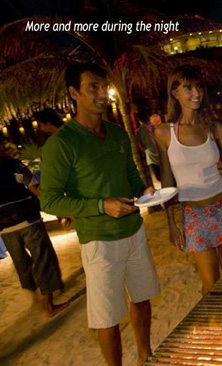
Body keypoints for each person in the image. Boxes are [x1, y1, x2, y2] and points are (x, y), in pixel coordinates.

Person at [39, 62, 160, 366]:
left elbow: (131, 176)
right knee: (108, 317)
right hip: (99, 241)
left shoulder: (118, 134)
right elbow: (49, 200)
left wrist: (145, 191)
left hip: (134, 231)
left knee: (142, 296)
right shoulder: (62, 143)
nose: (102, 93)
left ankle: (144, 353)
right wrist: (100, 205)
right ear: (73, 92)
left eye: (103, 86)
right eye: (92, 86)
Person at [155, 65, 222, 296]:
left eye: (198, 87)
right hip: (194, 214)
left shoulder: (215, 126)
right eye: (188, 88)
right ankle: (215, 323)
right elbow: (167, 183)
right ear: (174, 93)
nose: (196, 93)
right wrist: (171, 223)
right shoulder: (164, 133)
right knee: (210, 284)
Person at [0, 142, 68, 317]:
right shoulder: (15, 166)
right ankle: (49, 305)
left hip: (5, 227)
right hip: (28, 219)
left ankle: (34, 296)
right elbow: (35, 189)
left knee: (21, 263)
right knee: (43, 258)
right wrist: (56, 210)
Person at [136, 112, 162, 182]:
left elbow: (141, 145)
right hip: (160, 150)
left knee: (158, 175)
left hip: (151, 153)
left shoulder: (139, 131)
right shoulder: (156, 125)